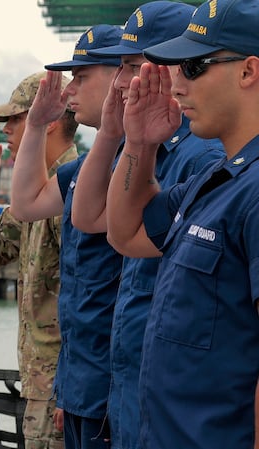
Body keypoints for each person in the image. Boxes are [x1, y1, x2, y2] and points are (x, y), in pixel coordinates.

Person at [68, 3, 224, 449]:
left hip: (173, 393)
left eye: (133, 66)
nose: (121, 81)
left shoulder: (201, 156)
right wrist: (120, 133)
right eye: (120, 68)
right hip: (131, 380)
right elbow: (94, 219)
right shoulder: (152, 145)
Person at [105, 0, 259, 447]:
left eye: (193, 66)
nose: (176, 84)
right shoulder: (218, 180)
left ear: (248, 71)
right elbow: (126, 232)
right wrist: (139, 143)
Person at [9, 25, 125, 449]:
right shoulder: (87, 169)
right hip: (81, 381)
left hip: (115, 388)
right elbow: (26, 203)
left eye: (82, 76)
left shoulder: (149, 163)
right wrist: (37, 125)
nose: (70, 90)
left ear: (121, 75)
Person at [0, 71, 77, 449]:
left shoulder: (73, 191)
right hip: (41, 384)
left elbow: (92, 298)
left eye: (16, 119)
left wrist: (73, 384)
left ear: (51, 118)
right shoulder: (38, 193)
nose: (7, 130)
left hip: (61, 387)